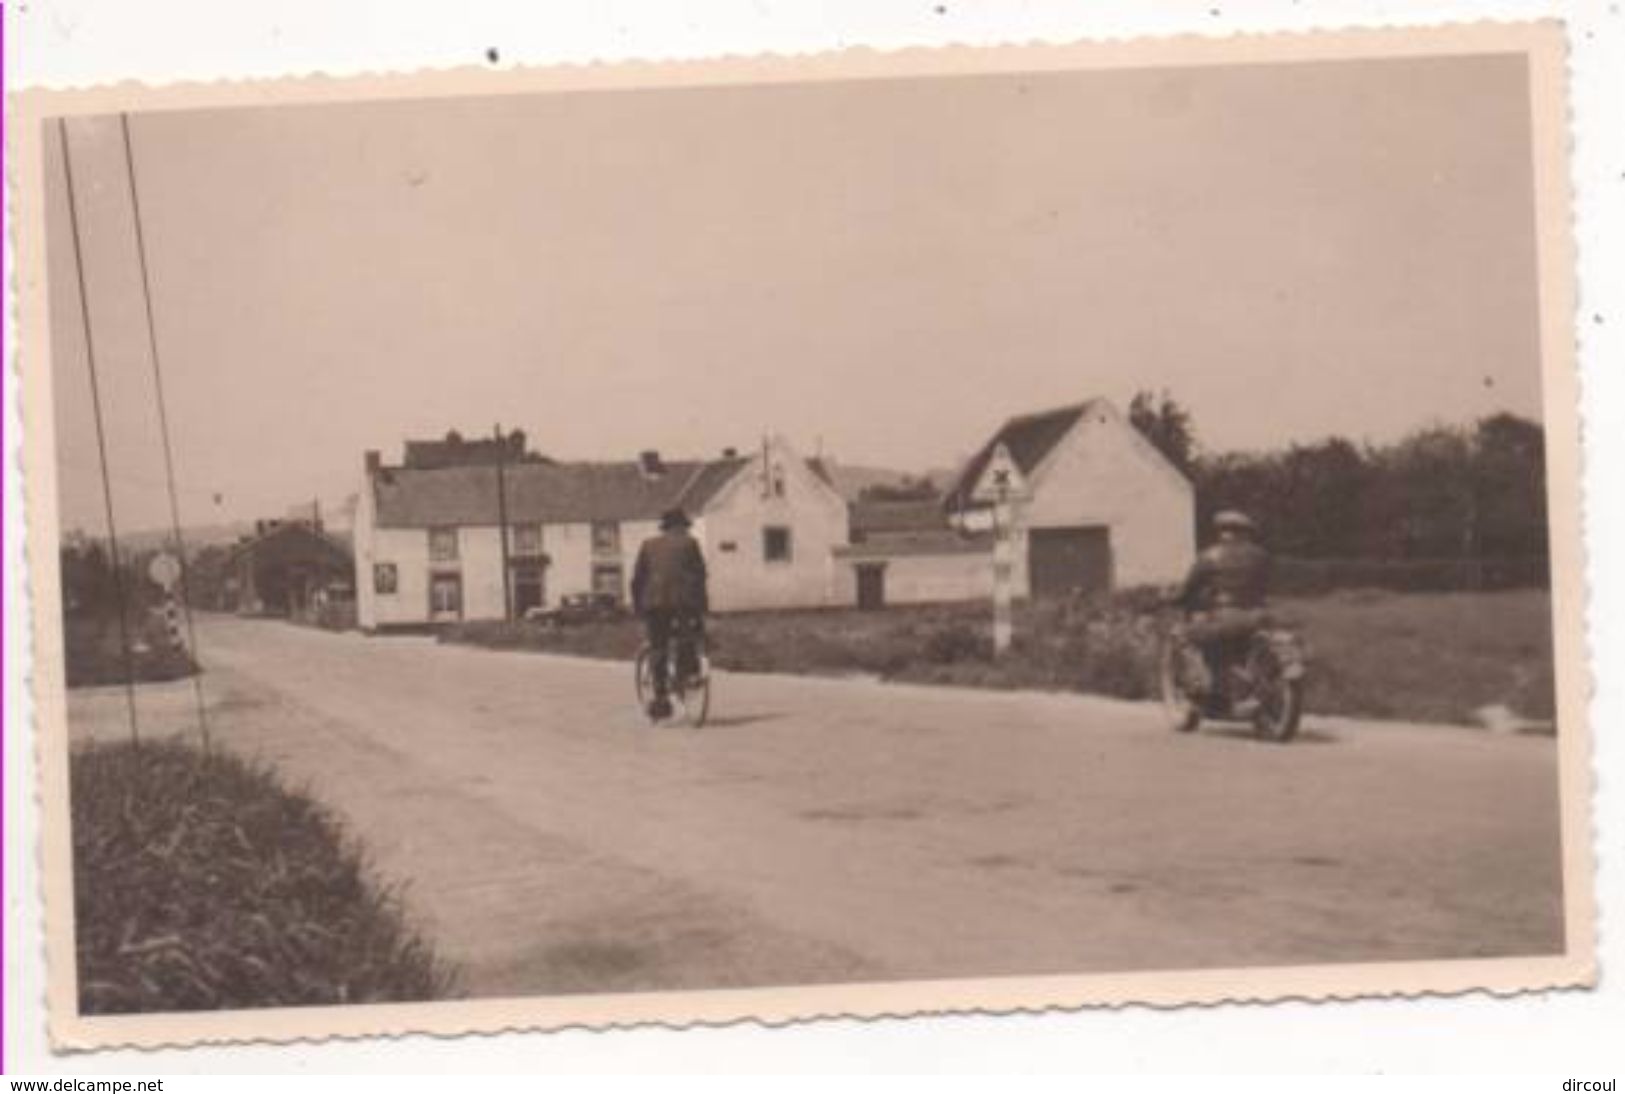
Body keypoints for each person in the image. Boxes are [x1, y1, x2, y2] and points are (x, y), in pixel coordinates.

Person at [1172, 510, 1272, 701]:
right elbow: (1265, 584)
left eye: (1223, 530)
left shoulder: (1210, 556)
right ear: (1247, 532)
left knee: (1184, 635)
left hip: (1228, 617)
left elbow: (1189, 588)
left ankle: (1202, 687)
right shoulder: (1262, 556)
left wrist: (1174, 598)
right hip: (1259, 616)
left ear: (1223, 532)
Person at [630, 507, 709, 720]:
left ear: (664, 527)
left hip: (654, 604)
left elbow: (637, 580)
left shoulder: (648, 545)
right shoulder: (691, 543)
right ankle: (688, 675)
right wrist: (702, 608)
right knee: (688, 637)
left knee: (658, 648)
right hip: (684, 603)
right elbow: (700, 576)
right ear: (683, 527)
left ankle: (661, 697)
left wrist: (638, 608)